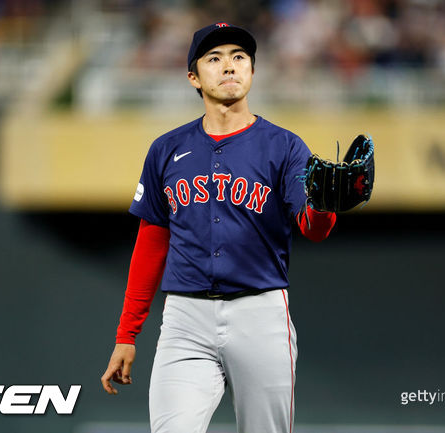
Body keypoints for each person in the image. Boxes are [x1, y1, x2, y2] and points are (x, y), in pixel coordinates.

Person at [101, 22, 336, 433]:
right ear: (193, 76)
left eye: (239, 57)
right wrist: (127, 333)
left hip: (260, 312)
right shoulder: (167, 149)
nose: (229, 66)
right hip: (184, 319)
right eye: (214, 58)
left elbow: (312, 227)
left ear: (252, 71)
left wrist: (327, 205)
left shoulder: (284, 146)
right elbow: (152, 245)